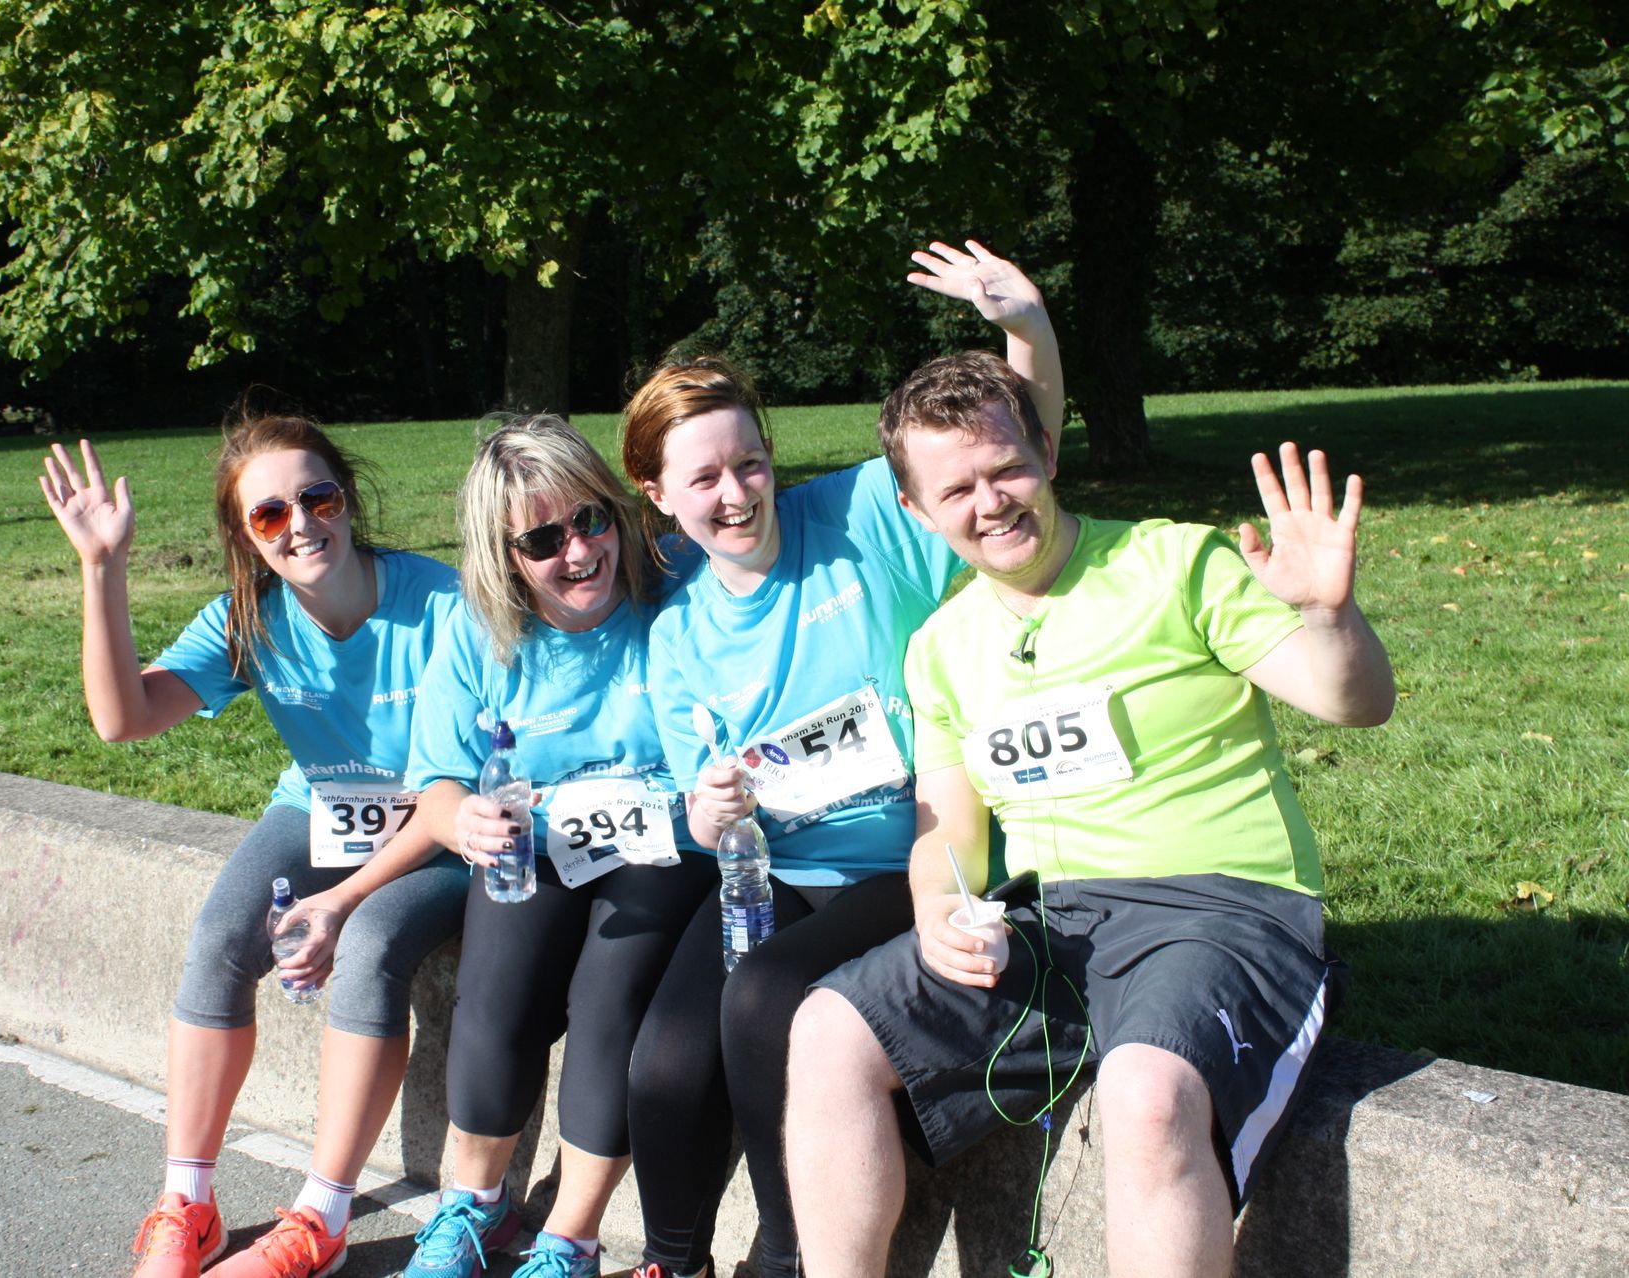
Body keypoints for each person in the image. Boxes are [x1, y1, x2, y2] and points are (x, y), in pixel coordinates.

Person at [785, 351, 1396, 1278]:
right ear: (914, 510)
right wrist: (939, 910)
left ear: (1048, 454)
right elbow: (949, 828)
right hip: (1050, 923)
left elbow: (1353, 701)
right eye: (957, 489)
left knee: (1145, 1092)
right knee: (828, 1029)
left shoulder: (1174, 560)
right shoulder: (942, 647)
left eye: (1008, 469)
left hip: (1222, 910)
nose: (991, 502)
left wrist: (1327, 619)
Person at [619, 244, 1064, 1278]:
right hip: (772, 871)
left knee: (765, 998)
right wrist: (714, 804)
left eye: (749, 462)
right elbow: (702, 823)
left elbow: (1010, 446)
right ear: (658, 494)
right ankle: (670, 1262)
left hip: (901, 857)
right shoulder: (677, 631)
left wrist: (1026, 330)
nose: (736, 493)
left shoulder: (866, 517)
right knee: (665, 1065)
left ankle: (789, 1256)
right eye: (704, 478)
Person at [38, 415, 470, 1278]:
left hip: (446, 826)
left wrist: (339, 903)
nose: (301, 523)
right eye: (270, 514)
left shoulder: (444, 603)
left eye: (318, 497)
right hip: (323, 812)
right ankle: (187, 1205)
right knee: (221, 939)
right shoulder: (249, 619)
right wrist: (102, 569)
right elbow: (122, 720)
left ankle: (322, 1216)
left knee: (375, 944)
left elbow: (458, 792)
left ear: (348, 500)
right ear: (247, 536)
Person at [398, 415, 718, 1278]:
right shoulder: (478, 632)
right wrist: (459, 817)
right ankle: (475, 1207)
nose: (579, 552)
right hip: (535, 847)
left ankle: (568, 1238)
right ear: (506, 558)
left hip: (665, 841)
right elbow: (432, 783)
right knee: (494, 988)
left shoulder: (679, 580)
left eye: (592, 520)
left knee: (612, 993)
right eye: (543, 539)